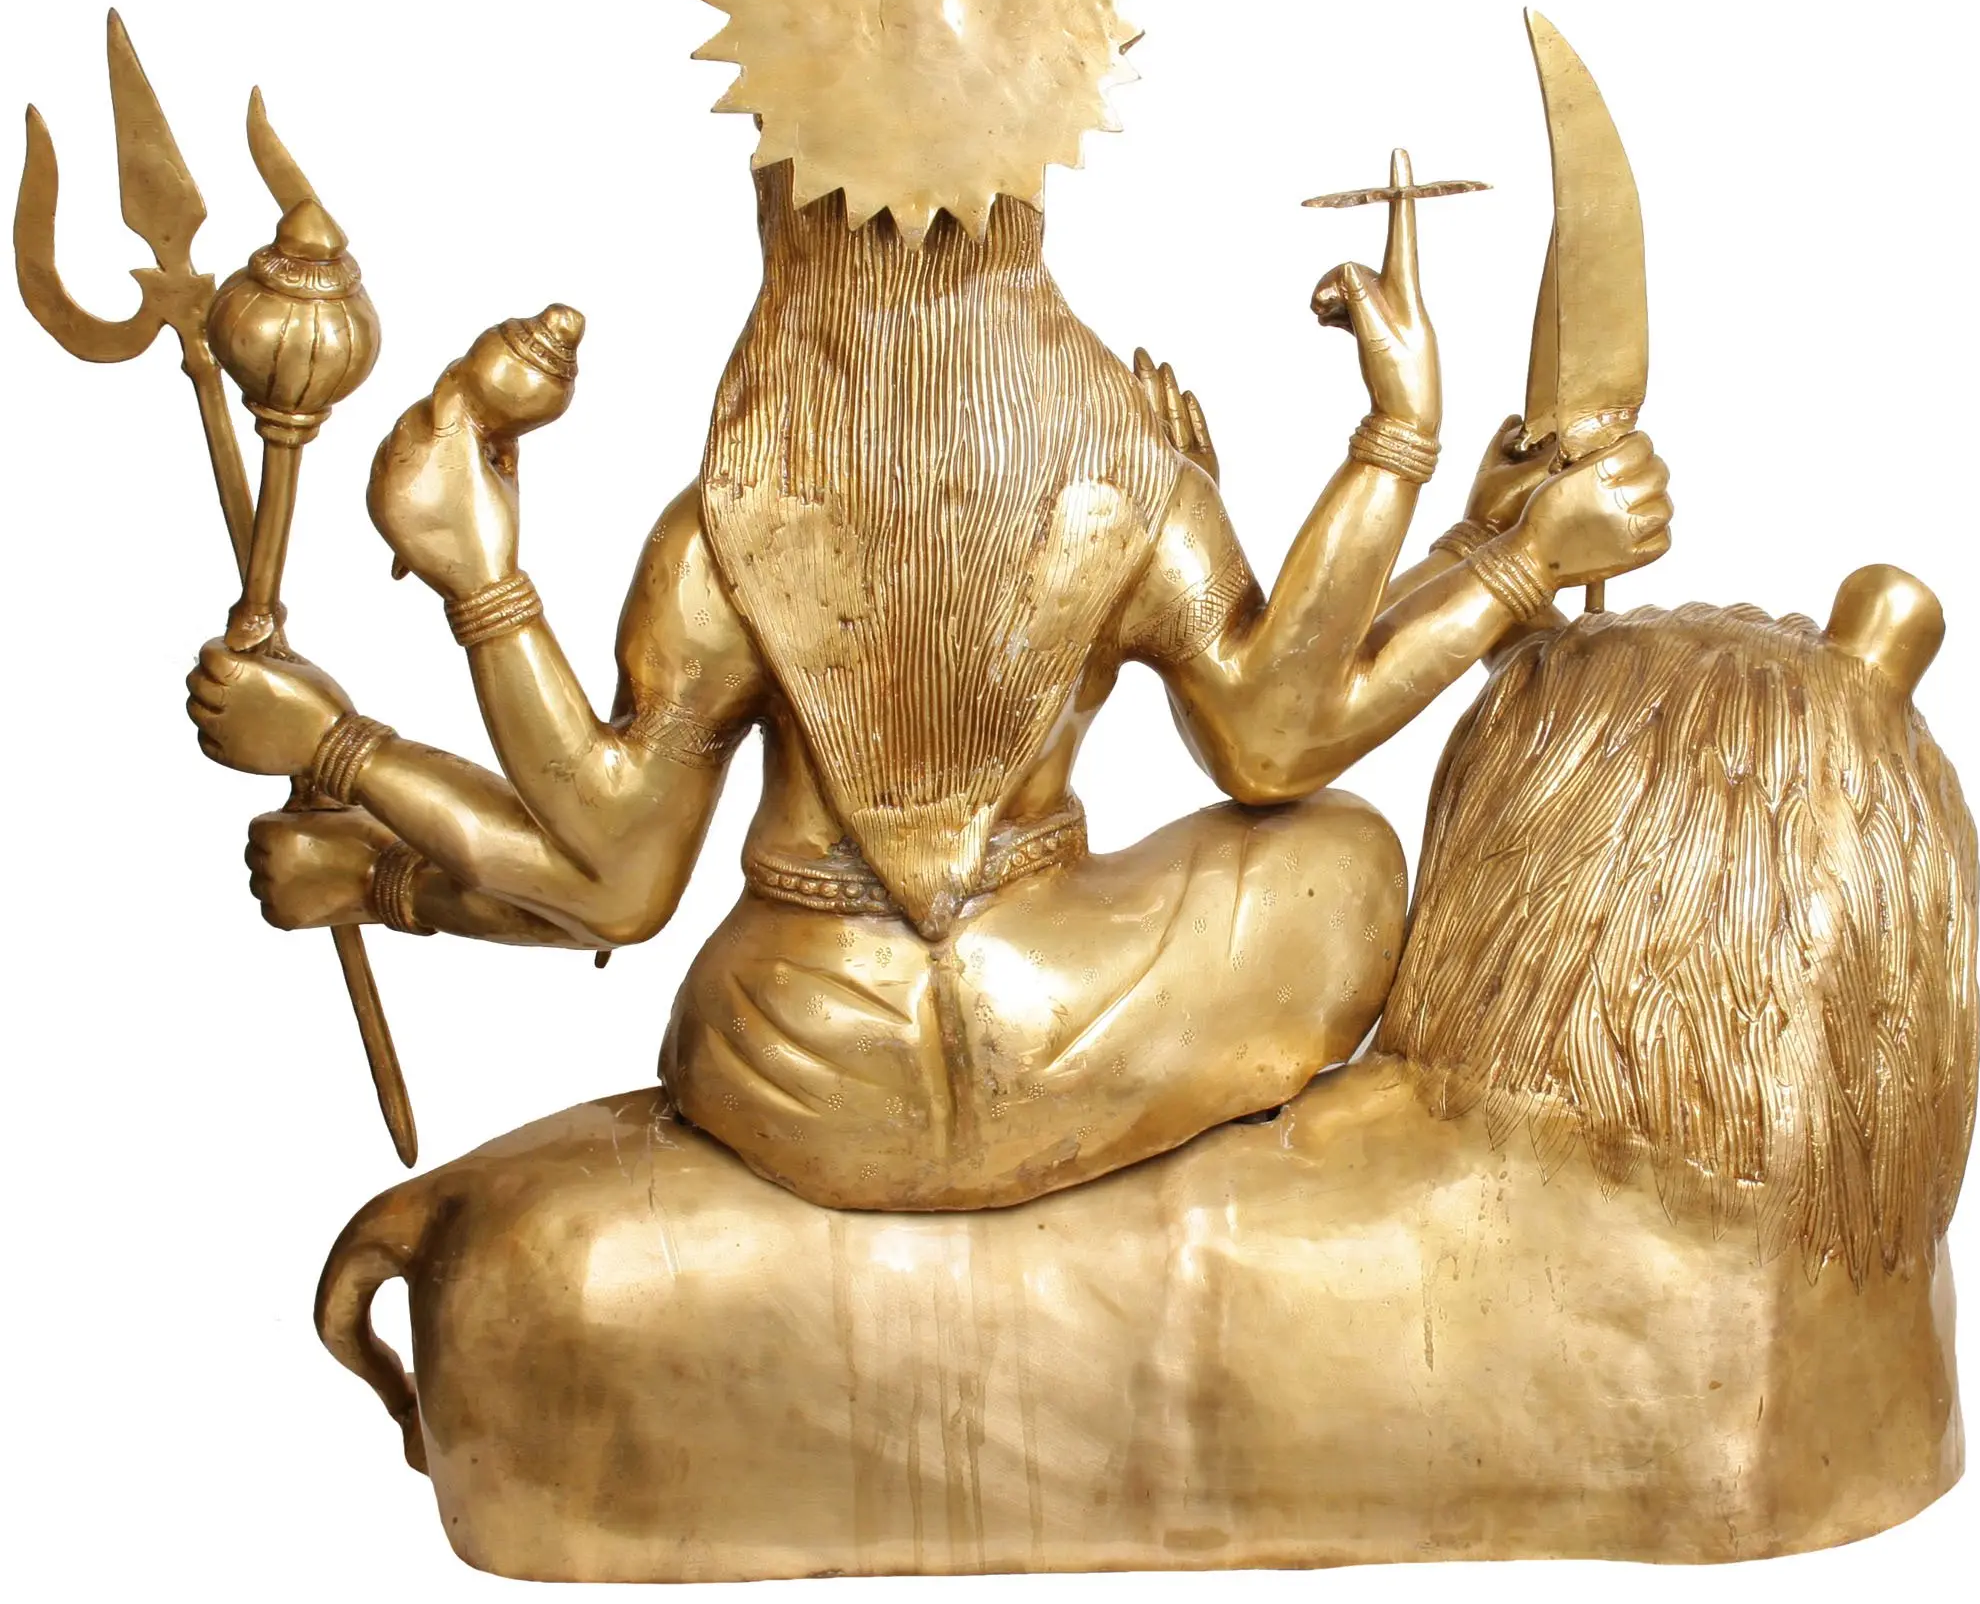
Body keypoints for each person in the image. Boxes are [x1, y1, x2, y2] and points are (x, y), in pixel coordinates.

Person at [187, 153, 1671, 1210]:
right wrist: (1450, 497)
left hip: (790, 1057)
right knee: (1338, 855)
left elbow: (615, 877)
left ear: (784, 221)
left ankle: (383, 850)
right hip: (1075, 1018)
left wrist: (376, 715)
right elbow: (1280, 739)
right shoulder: (1123, 477)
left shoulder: (724, 518)